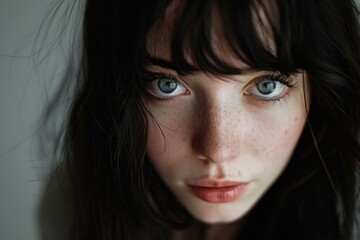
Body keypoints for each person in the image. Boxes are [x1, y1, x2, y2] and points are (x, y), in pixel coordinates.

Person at [56, 0, 360, 239]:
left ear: (321, 89)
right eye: (167, 85)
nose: (217, 150)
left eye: (267, 86)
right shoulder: (72, 208)